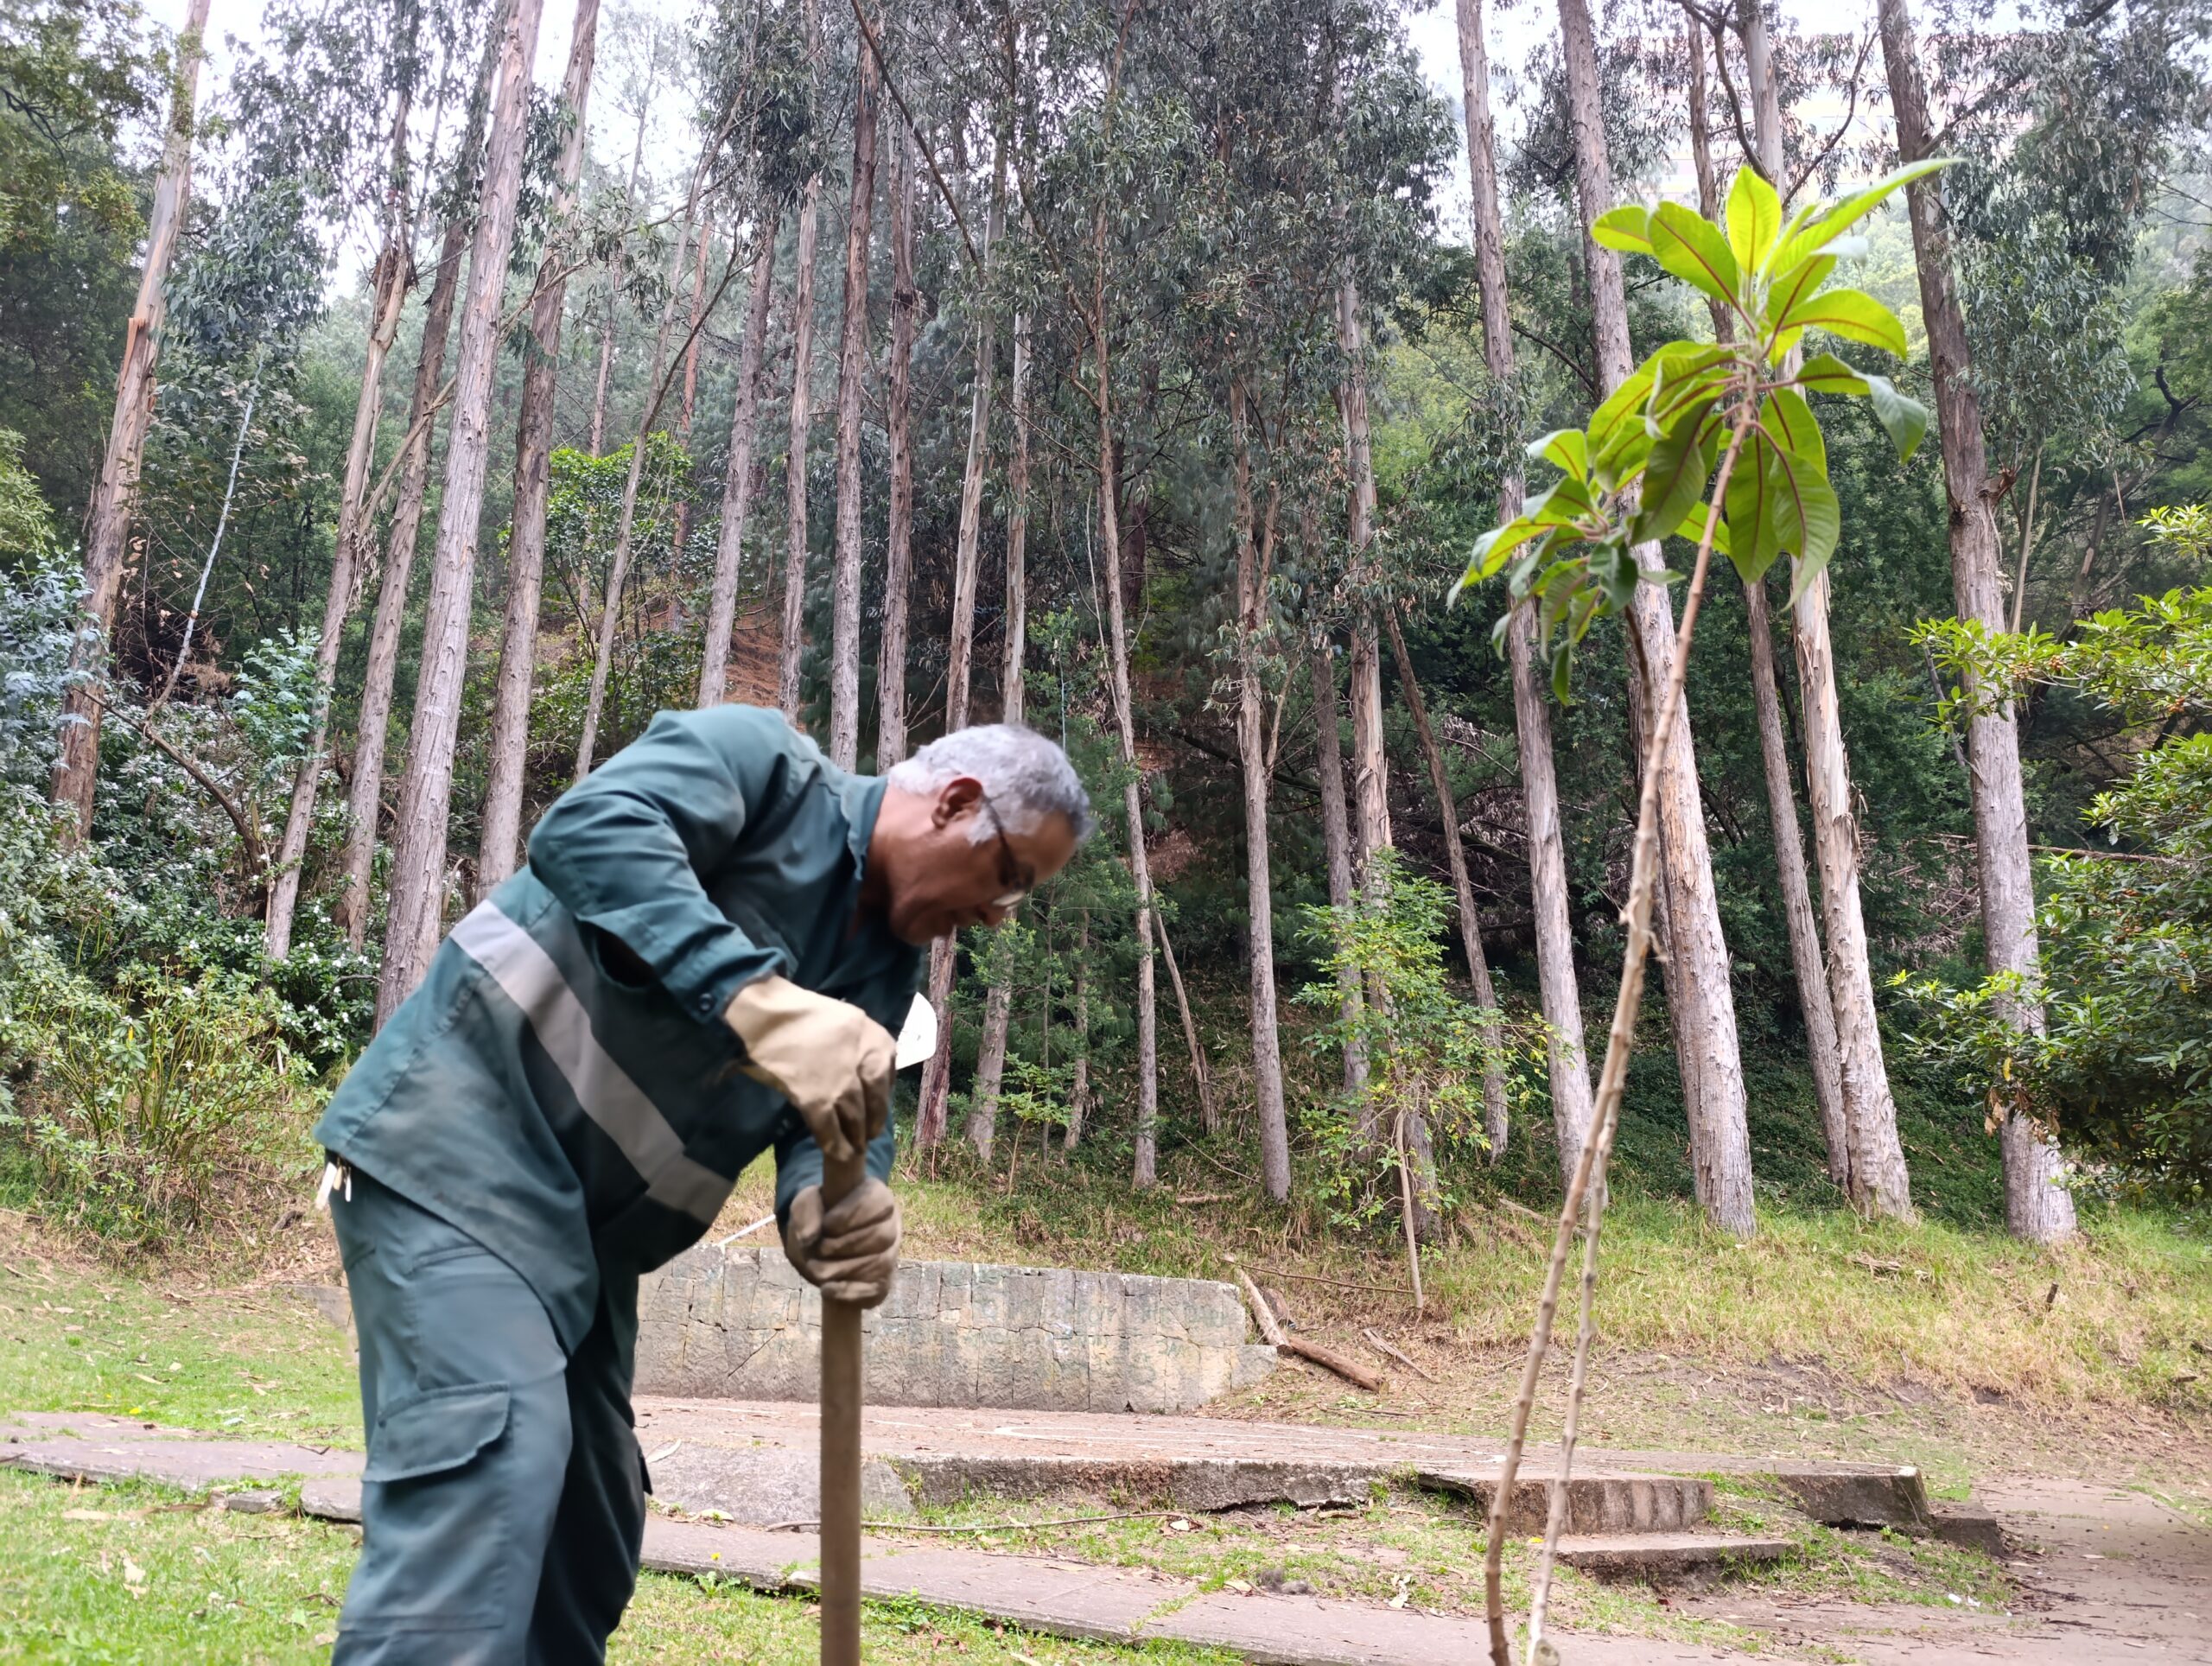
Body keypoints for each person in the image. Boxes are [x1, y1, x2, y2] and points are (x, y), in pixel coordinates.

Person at [312, 708, 1090, 1663]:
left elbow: (838, 1133)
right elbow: (588, 830)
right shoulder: (760, 769)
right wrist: (758, 1002)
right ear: (956, 802)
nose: (996, 916)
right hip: (458, 1147)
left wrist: (833, 1206)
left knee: (585, 1531)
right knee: (494, 1468)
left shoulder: (885, 975)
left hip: (583, 1252)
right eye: (1008, 877)